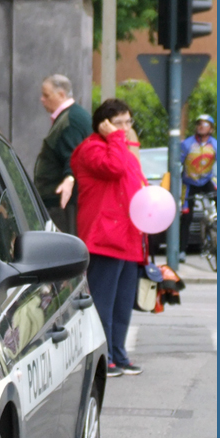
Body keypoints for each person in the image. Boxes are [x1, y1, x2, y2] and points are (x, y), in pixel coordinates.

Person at [71, 98, 147, 377]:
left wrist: (129, 144)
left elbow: (138, 183)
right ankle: (105, 358)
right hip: (104, 236)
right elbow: (113, 168)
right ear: (102, 125)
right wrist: (116, 138)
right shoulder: (91, 149)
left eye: (128, 122)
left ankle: (118, 354)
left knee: (123, 304)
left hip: (126, 235)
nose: (125, 129)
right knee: (103, 302)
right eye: (118, 124)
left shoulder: (121, 147)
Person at [33, 74, 91, 234]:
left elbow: (74, 157)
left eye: (46, 95)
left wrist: (69, 179)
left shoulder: (70, 121)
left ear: (61, 95)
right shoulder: (71, 116)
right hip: (61, 201)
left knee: (60, 250)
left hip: (62, 203)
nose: (42, 99)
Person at [178, 114, 217, 258]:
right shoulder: (187, 144)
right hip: (189, 183)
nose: (201, 127)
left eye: (205, 125)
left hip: (206, 181)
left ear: (211, 129)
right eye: (199, 124)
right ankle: (181, 250)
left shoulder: (215, 145)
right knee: (186, 217)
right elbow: (177, 163)